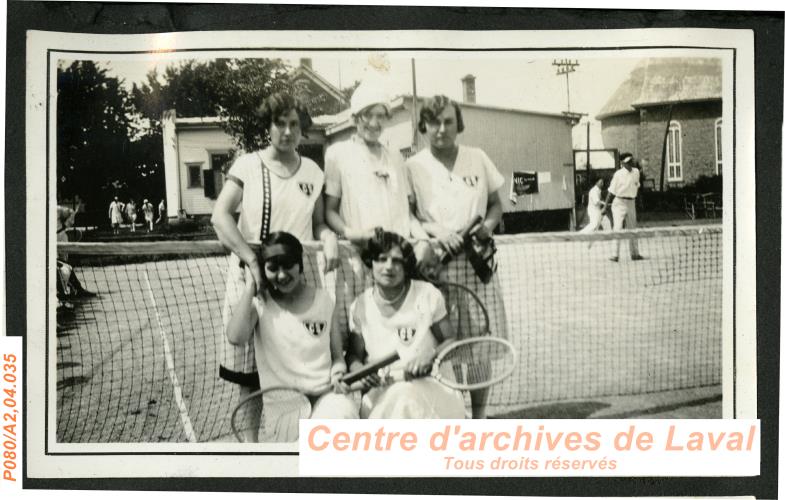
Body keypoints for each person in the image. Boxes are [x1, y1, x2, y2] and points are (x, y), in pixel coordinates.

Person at [211, 92, 340, 432]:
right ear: (268, 126)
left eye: (294, 124)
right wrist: (251, 261)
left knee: (303, 362)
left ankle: (304, 441)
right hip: (252, 277)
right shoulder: (247, 165)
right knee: (249, 375)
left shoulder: (313, 171)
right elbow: (220, 217)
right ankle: (253, 453)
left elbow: (320, 224)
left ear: (303, 129)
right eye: (279, 123)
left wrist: (328, 238)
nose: (287, 131)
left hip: (296, 277)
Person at [405, 95, 507, 419]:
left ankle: (478, 420)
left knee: (478, 347)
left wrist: (487, 227)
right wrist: (434, 233)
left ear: (457, 124)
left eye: (449, 121)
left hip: (476, 267)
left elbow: (495, 205)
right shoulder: (412, 166)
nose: (442, 129)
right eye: (434, 122)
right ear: (423, 126)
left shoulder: (477, 157)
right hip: (435, 269)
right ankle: (451, 417)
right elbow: (406, 216)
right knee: (441, 343)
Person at [226, 232, 357, 440]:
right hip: (284, 412)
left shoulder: (324, 300)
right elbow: (235, 337)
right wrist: (251, 286)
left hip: (326, 400)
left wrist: (338, 372)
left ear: (300, 264)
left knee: (342, 420)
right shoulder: (260, 304)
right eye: (272, 268)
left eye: (288, 265)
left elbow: (337, 356)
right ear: (262, 269)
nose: (281, 275)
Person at [323, 80, 429, 327]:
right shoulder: (337, 154)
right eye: (367, 115)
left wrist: (423, 239)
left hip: (395, 263)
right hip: (357, 261)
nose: (374, 123)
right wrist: (354, 234)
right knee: (357, 332)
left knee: (398, 331)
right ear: (354, 118)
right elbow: (329, 211)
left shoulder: (396, 159)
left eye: (380, 115)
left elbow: (407, 215)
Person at [345, 230, 464, 419]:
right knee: (401, 395)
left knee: (406, 394)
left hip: (432, 387)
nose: (389, 267)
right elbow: (353, 356)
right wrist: (361, 372)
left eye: (397, 261)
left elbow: (451, 341)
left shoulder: (427, 294)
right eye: (381, 259)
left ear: (406, 265)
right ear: (371, 263)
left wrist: (430, 356)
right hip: (382, 393)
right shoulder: (360, 305)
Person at [603, 152, 645, 262]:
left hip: (631, 203)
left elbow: (637, 187)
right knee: (617, 228)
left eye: (631, 161)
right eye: (628, 162)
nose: (631, 163)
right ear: (622, 163)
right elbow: (611, 192)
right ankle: (614, 255)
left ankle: (635, 254)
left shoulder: (636, 172)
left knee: (633, 229)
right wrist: (605, 207)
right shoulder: (618, 174)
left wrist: (639, 202)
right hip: (619, 203)